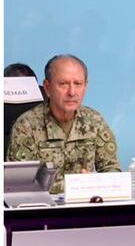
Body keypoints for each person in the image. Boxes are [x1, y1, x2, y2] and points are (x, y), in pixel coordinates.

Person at [7, 54, 120, 193]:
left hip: (85, 202)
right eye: (63, 84)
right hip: (43, 204)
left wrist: (96, 182)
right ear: (47, 88)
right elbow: (19, 184)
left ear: (85, 87)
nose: (72, 92)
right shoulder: (26, 126)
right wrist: (78, 185)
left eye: (78, 84)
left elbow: (112, 170)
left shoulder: (94, 121)